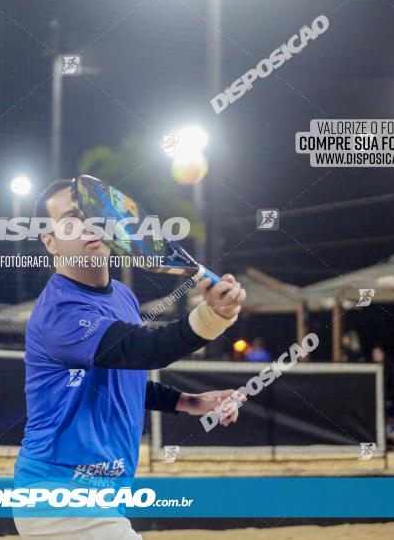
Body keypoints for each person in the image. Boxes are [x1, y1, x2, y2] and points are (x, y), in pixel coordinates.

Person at [14, 180, 246, 540]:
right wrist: (214, 315)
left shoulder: (122, 295)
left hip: (102, 498)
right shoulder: (58, 312)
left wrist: (189, 402)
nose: (89, 223)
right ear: (50, 241)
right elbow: (143, 349)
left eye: (93, 214)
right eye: (72, 219)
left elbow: (125, 376)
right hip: (60, 496)